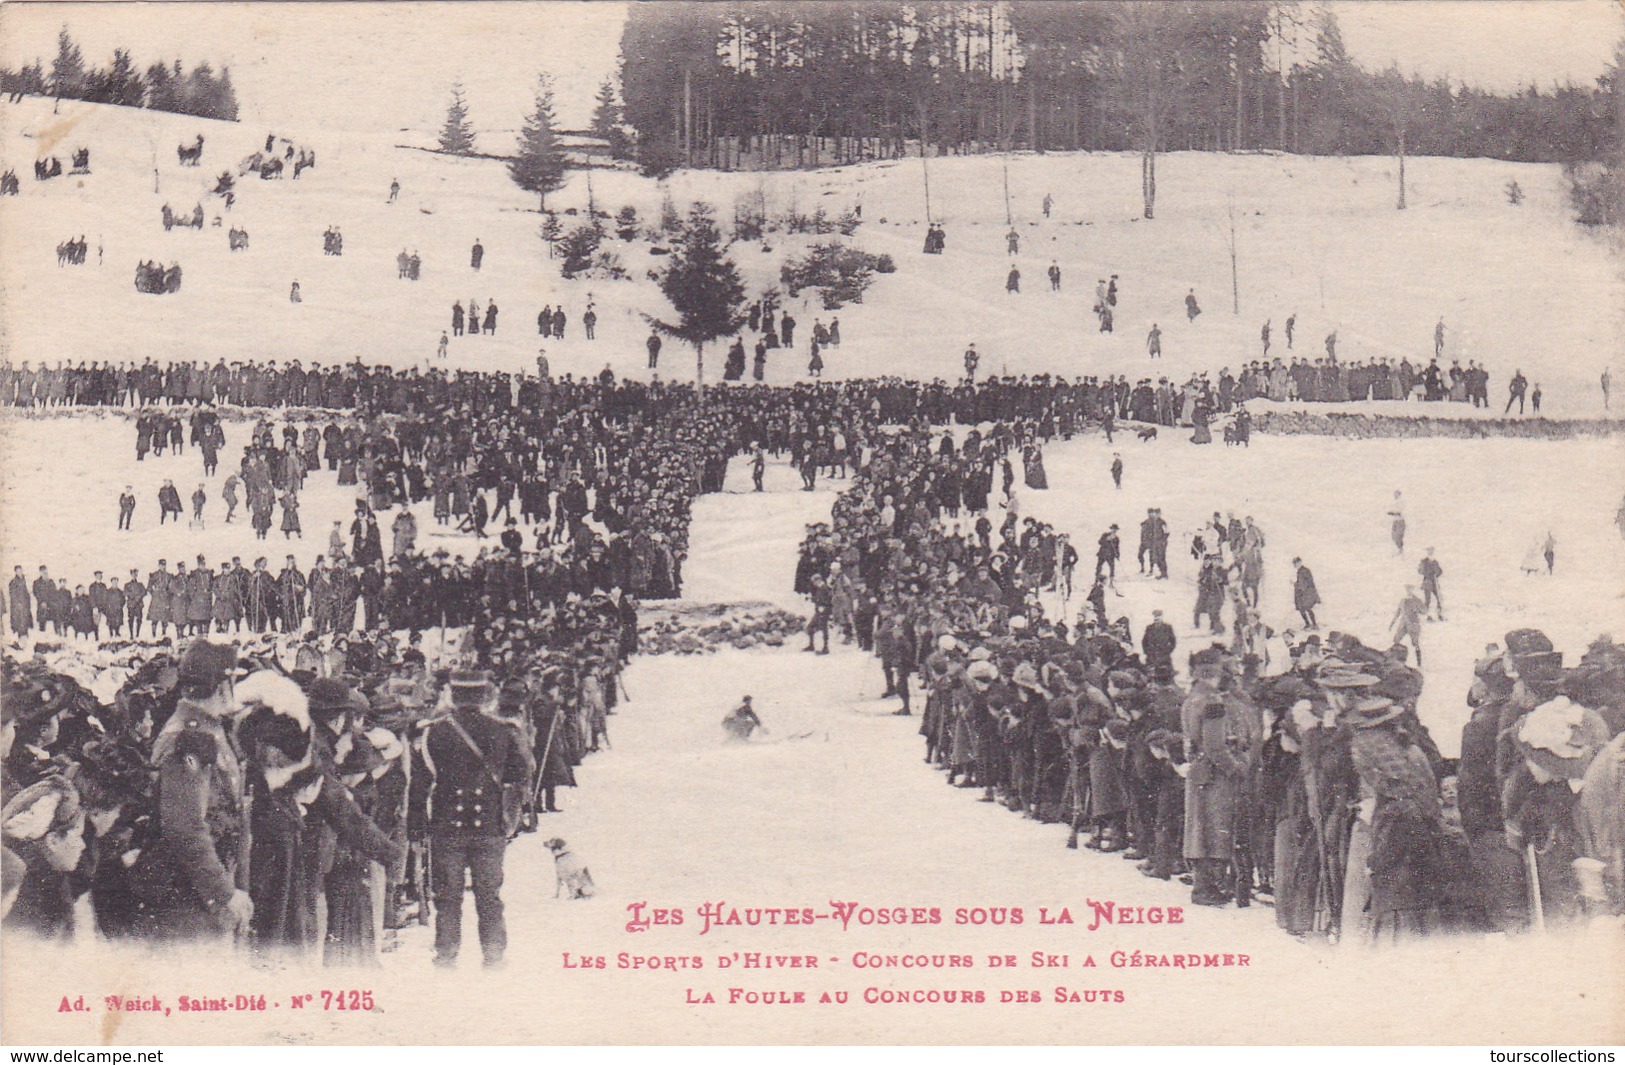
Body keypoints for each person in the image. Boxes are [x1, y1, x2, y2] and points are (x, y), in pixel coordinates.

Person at [130, 641, 253, 943]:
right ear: (223, 685)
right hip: (189, 899)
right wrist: (222, 891)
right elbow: (185, 827)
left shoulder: (206, 730)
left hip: (204, 893)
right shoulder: (190, 737)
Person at [419, 671, 528, 969]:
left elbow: (420, 784)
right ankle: (493, 955)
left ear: (453, 696)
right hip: (489, 826)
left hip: (446, 827)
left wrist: (418, 828)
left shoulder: (434, 732)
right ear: (483, 696)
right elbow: (518, 777)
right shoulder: (503, 731)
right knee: (489, 895)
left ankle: (446, 955)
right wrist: (511, 819)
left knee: (447, 897)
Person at [1391, 585, 1426, 665]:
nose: (1408, 591)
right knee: (1396, 640)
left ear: (1413, 590)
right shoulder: (1403, 600)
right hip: (1403, 623)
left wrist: (1417, 609)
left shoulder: (1417, 600)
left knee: (1415, 643)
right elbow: (1398, 612)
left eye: (1410, 589)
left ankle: (1419, 663)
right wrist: (1392, 623)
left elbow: (1424, 611)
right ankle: (1397, 659)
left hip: (1413, 624)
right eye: (1407, 589)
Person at [1292, 557, 1319, 629]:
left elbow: (1304, 584)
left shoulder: (1303, 571)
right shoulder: (1301, 571)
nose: (1295, 565)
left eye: (1296, 563)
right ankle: (1308, 624)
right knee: (1302, 609)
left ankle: (1313, 624)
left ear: (1300, 562)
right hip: (1303, 593)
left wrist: (1295, 584)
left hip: (1306, 594)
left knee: (1306, 608)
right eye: (1294, 563)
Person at [1419, 548, 1444, 621]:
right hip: (1427, 582)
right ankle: (1427, 616)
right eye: (1429, 550)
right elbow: (1420, 571)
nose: (1430, 552)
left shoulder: (1435, 562)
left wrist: (1436, 572)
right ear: (1427, 551)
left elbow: (1440, 571)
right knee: (1428, 600)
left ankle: (1439, 614)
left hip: (1434, 582)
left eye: (1432, 550)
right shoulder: (1424, 561)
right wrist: (1427, 572)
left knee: (1438, 598)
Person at [1388, 490, 1406, 555]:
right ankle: (1399, 549)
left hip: (1400, 521)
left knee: (1398, 536)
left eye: (1396, 494)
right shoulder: (1394, 502)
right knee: (1393, 536)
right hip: (1395, 521)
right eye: (1394, 494)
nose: (1395, 495)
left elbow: (1400, 511)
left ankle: (1400, 550)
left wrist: (1393, 512)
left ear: (1399, 495)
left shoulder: (1401, 501)